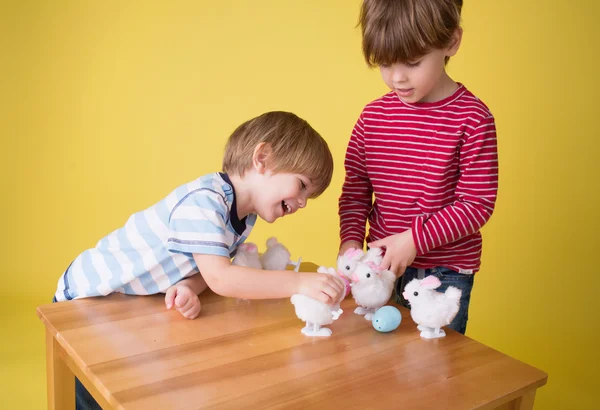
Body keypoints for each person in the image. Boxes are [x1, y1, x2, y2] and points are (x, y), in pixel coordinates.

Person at [54, 111, 345, 409]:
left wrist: (190, 286)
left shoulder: (243, 218)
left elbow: (207, 270)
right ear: (263, 158)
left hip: (125, 299)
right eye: (302, 186)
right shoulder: (205, 200)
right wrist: (299, 282)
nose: (302, 203)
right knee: (97, 392)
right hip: (89, 293)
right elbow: (222, 278)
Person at [338, 0, 499, 335]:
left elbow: (477, 204)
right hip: (380, 266)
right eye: (384, 64)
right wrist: (351, 240)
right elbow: (356, 189)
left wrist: (414, 239)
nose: (397, 77)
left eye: (412, 62)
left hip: (444, 272)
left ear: (452, 42)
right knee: (377, 358)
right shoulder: (372, 118)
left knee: (433, 367)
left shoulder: (473, 119)